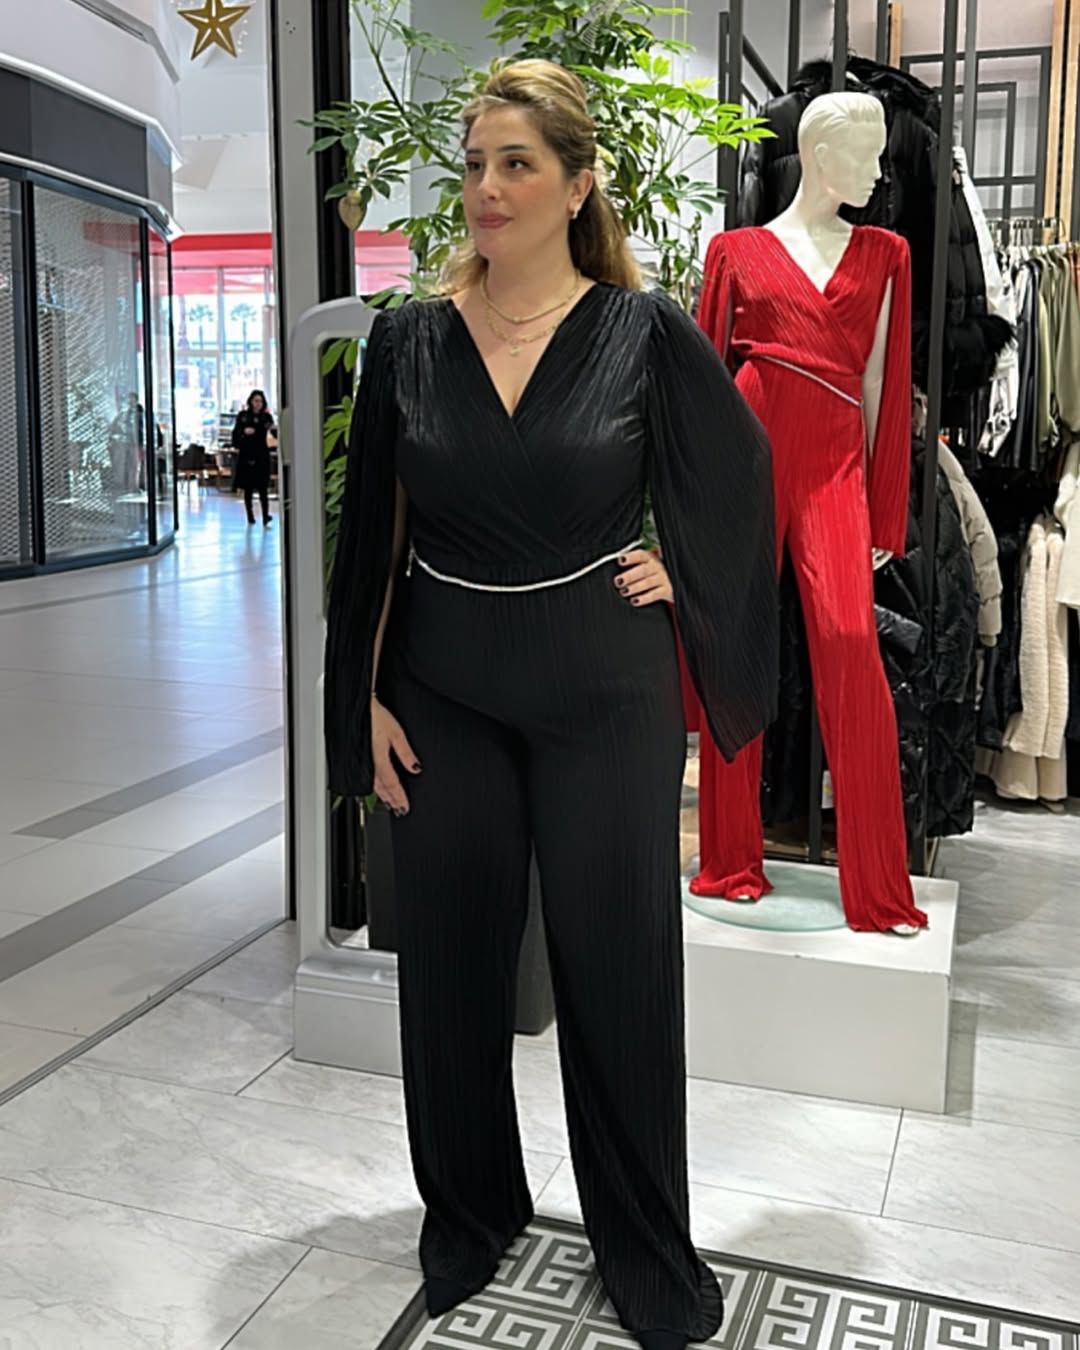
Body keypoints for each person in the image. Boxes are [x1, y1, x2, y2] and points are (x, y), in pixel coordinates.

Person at [324, 59, 778, 1350]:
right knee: (451, 971)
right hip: (443, 691)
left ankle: (643, 1245)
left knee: (617, 968)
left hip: (604, 693)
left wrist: (687, 573)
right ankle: (470, 1214)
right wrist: (363, 697)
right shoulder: (408, 340)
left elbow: (741, 472)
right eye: (474, 163)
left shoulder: (642, 332)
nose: (486, 187)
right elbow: (372, 538)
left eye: (516, 163)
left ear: (579, 186)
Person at [231, 390, 276, 525]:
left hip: (261, 453)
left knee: (263, 487)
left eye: (260, 401)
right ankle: (250, 516)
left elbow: (273, 431)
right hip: (247, 453)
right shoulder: (243, 416)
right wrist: (243, 432)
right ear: (251, 401)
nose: (258, 404)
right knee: (248, 487)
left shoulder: (266, 417)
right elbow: (236, 433)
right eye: (256, 401)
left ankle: (265, 515)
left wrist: (274, 430)